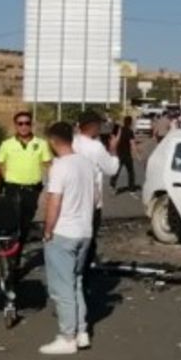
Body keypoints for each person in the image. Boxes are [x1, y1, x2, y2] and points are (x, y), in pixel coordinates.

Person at [39, 122, 98, 355]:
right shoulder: (86, 163)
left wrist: (47, 230)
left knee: (61, 288)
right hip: (84, 231)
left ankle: (67, 337)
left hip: (63, 232)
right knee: (76, 282)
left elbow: (54, 201)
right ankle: (81, 332)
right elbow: (95, 197)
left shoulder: (60, 166)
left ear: (52, 141)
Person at [0, 111, 52, 258]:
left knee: (25, 222)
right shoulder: (7, 144)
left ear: (31, 125)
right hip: (13, 188)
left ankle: (17, 251)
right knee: (13, 220)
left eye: (27, 123)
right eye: (20, 123)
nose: (24, 126)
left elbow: (48, 165)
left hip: (32, 189)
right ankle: (11, 252)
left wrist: (56, 188)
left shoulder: (41, 144)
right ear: (15, 125)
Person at [73, 111, 120, 268]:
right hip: (91, 201)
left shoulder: (72, 142)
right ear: (93, 126)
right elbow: (112, 169)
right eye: (99, 125)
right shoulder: (96, 147)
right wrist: (113, 149)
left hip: (72, 198)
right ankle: (85, 271)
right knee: (89, 238)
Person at [110, 116, 139, 192]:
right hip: (127, 154)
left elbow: (116, 140)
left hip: (119, 153)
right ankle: (131, 188)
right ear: (130, 123)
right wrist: (137, 153)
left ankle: (112, 184)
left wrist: (114, 151)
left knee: (117, 170)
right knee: (131, 172)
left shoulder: (120, 130)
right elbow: (132, 144)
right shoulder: (130, 131)